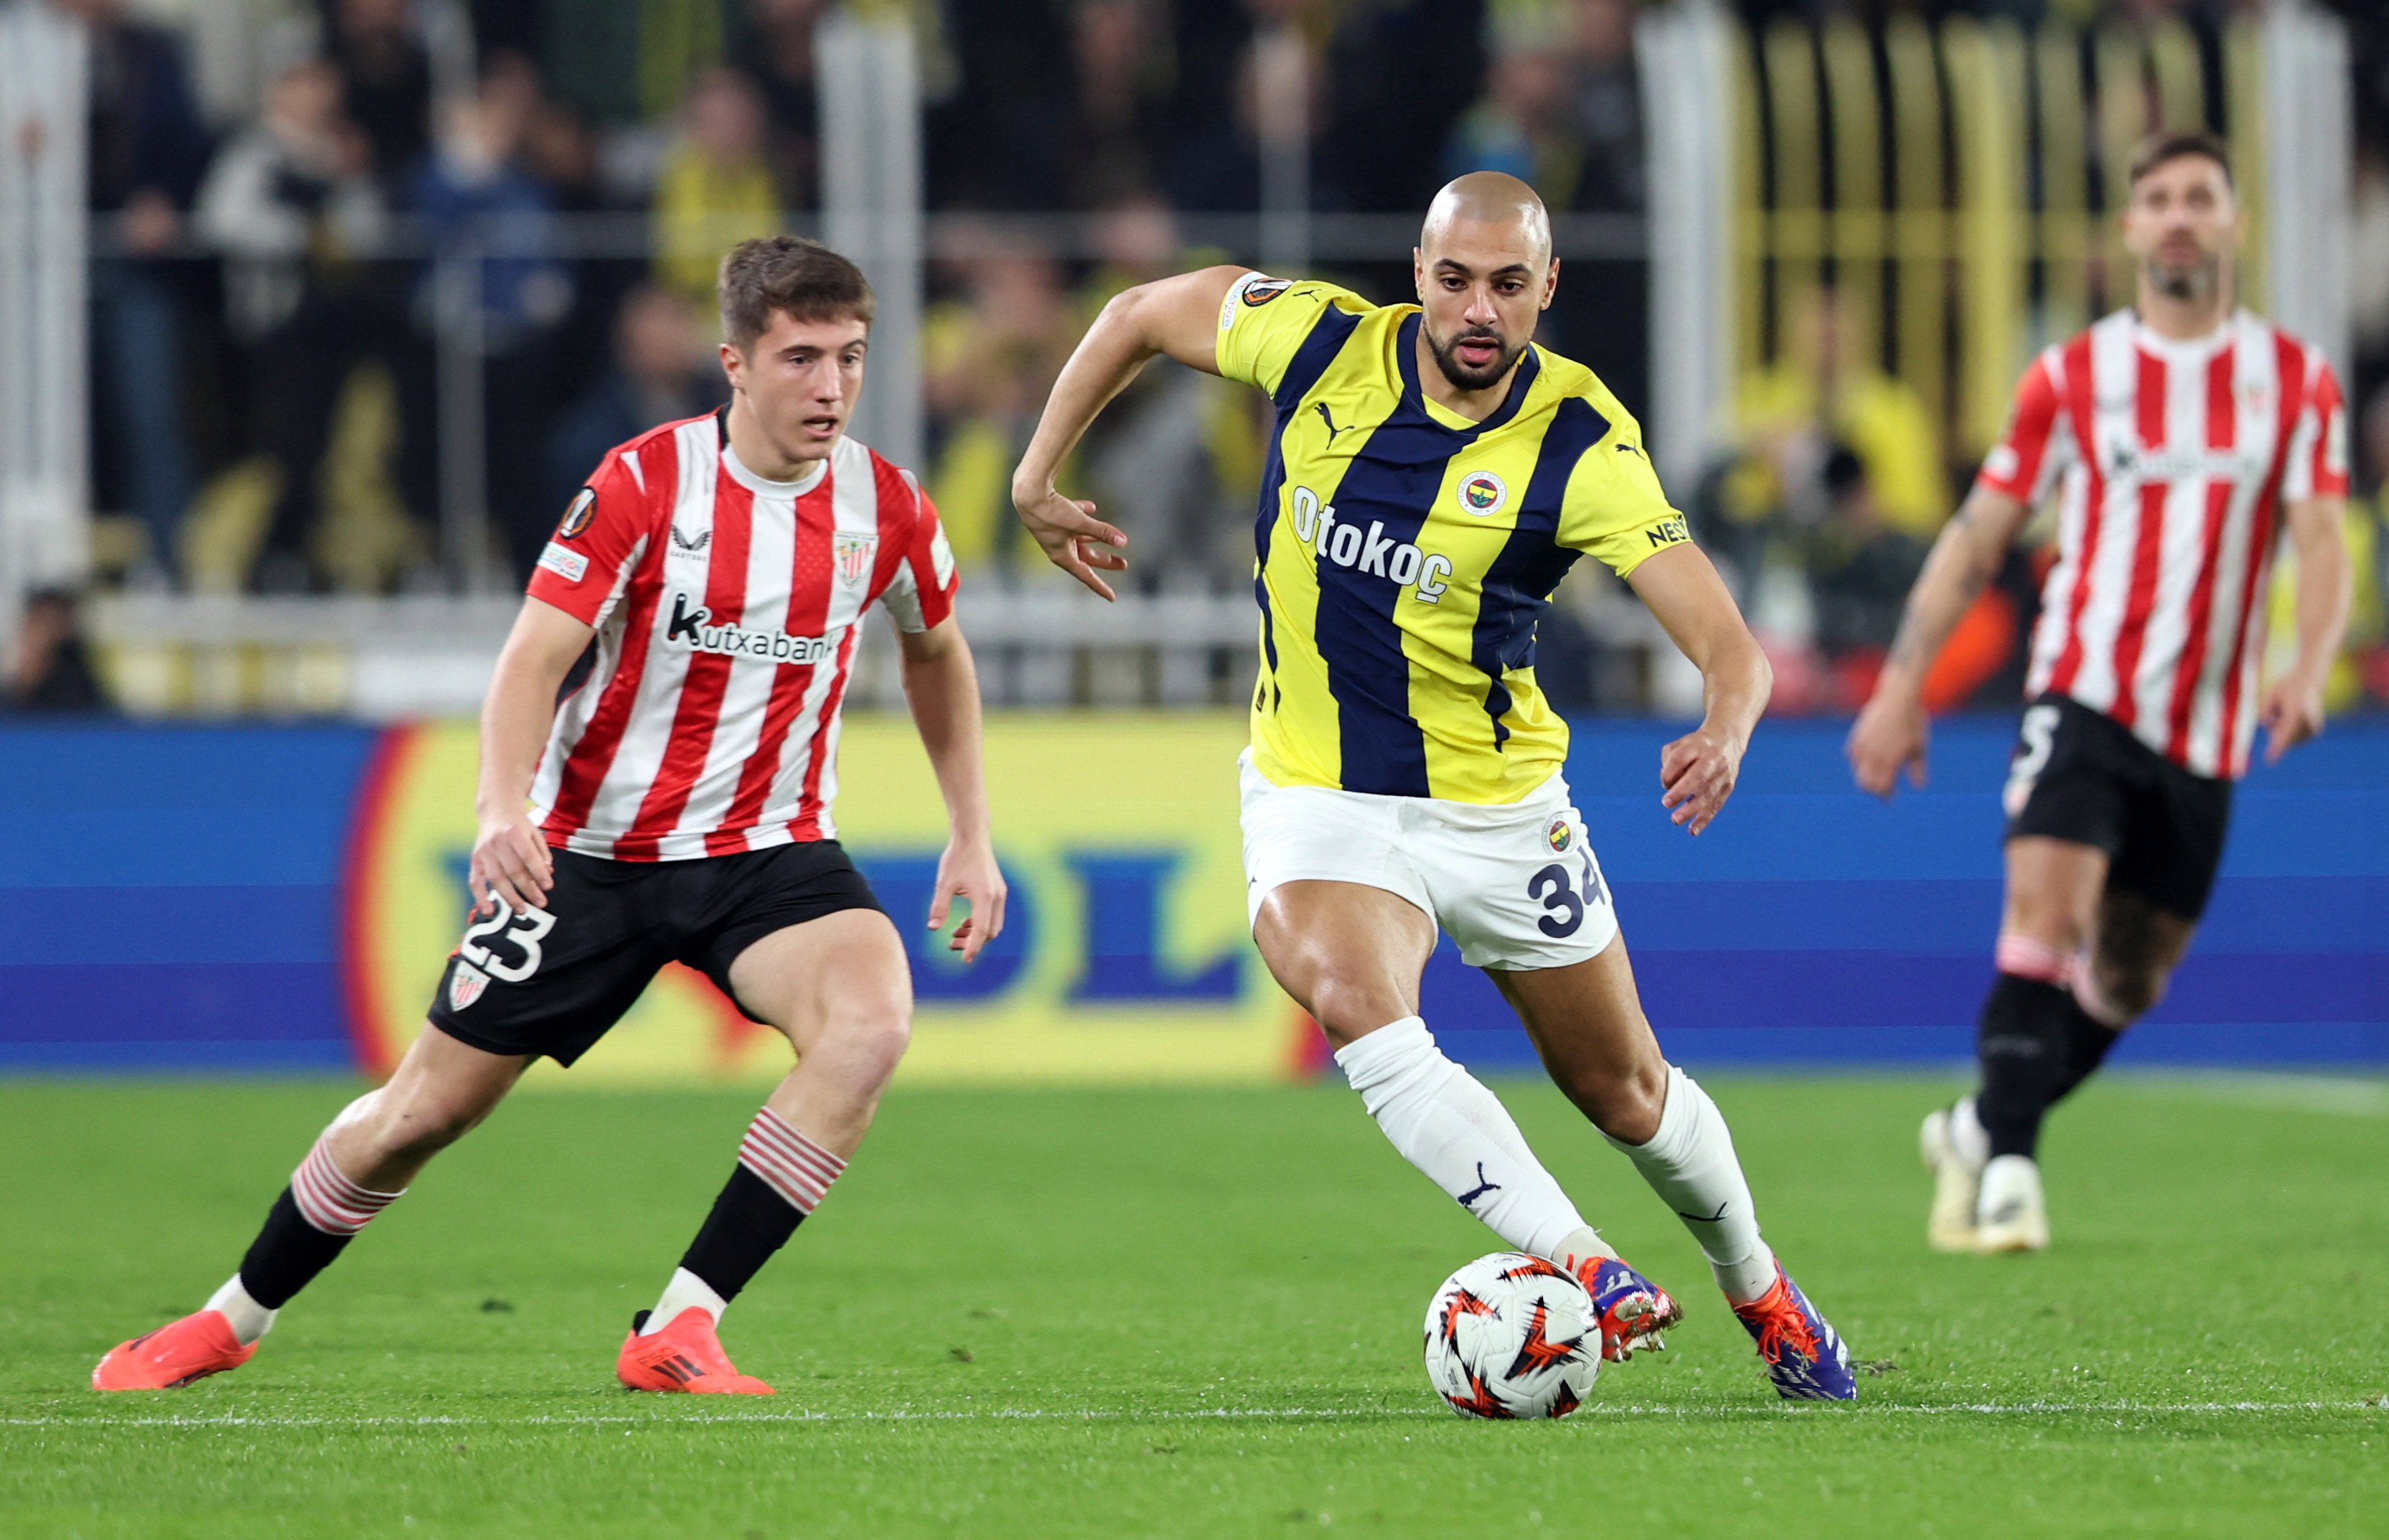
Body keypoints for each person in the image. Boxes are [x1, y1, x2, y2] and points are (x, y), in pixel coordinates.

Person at [94, 235, 1003, 1396]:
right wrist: (498, 809)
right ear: (734, 362)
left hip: (765, 850)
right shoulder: (641, 484)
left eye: (852, 359)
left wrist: (967, 828)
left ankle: (679, 1324)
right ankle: (232, 1314)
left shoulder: (885, 507)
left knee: (870, 1025)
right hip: (589, 856)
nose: (830, 387)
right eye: (801, 359)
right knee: (421, 1115)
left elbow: (935, 651)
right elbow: (531, 661)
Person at [1013, 171, 1857, 1401]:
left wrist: (1725, 729)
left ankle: (1761, 1286)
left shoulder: (1582, 441)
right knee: (1353, 994)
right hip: (1319, 793)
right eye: (1454, 279)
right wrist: (1036, 475)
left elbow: (1729, 646)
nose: (1477, 309)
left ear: (1546, 288)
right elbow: (1140, 310)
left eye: (1507, 285)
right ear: (1417, 272)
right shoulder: (1312, 340)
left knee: (1623, 1090)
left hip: (1500, 810)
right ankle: (1584, 1262)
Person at [1848, 132, 2352, 1255]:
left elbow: (2320, 543)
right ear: (2127, 231)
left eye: (2198, 198)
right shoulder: (2072, 378)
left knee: (2127, 980)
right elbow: (1977, 535)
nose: (2177, 217)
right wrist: (1898, 685)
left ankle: (1976, 1126)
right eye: (2157, 199)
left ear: (2232, 224)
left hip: (2207, 731)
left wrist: (2306, 663)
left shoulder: (2293, 382)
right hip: (2082, 691)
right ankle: (2012, 1176)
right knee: (2044, 917)